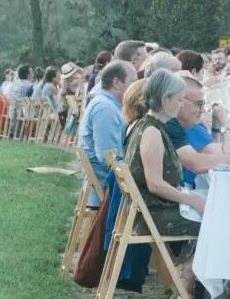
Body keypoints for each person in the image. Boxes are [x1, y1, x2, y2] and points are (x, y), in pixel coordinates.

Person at [124, 71, 206, 243]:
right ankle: (189, 261)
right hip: (154, 216)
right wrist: (192, 201)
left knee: (212, 211)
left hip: (154, 210)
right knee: (217, 221)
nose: (181, 105)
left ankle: (187, 260)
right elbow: (155, 184)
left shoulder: (151, 125)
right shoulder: (152, 132)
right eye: (179, 99)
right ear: (165, 99)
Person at [78, 61, 135, 209]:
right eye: (133, 82)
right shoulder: (106, 109)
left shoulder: (106, 104)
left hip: (103, 186)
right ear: (116, 82)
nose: (135, 87)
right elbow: (109, 159)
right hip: (105, 192)